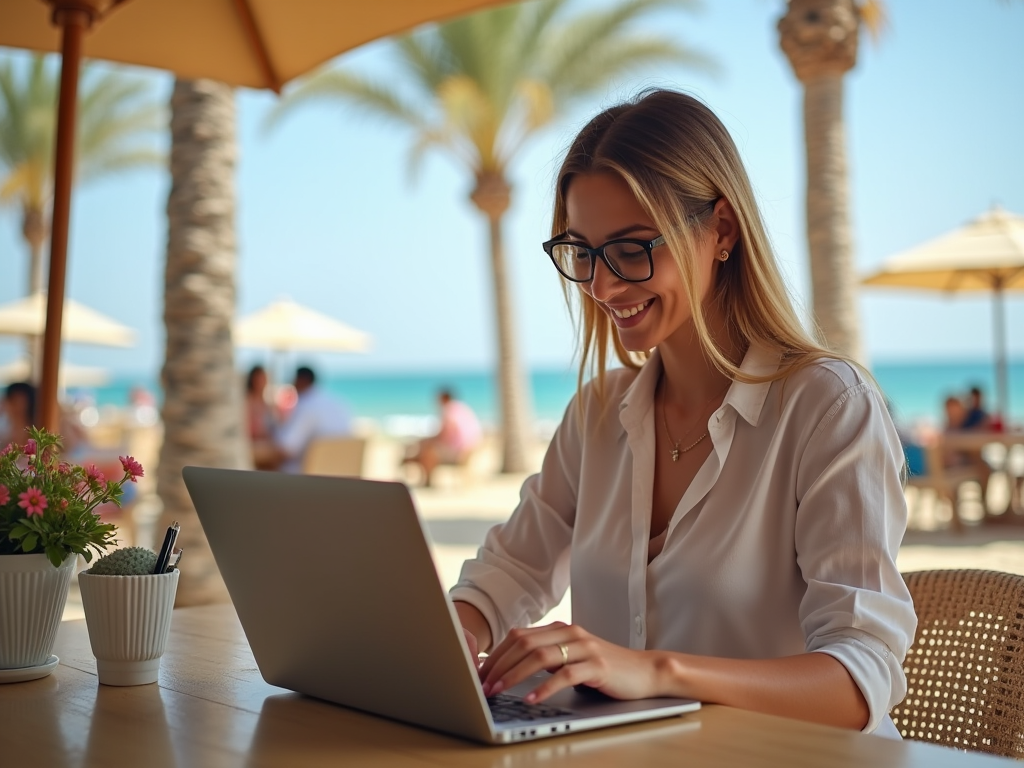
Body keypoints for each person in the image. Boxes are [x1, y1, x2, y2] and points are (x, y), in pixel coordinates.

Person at [448, 90, 915, 737]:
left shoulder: (828, 407)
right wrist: (450, 634)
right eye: (582, 253)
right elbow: (513, 569)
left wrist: (657, 672)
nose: (603, 287)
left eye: (633, 248)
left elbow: (861, 676)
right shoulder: (597, 414)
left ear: (721, 229)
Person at [272, 366, 352, 473]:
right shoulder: (339, 403)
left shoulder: (307, 405)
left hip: (306, 475)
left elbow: (287, 448)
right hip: (340, 472)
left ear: (300, 380)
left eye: (294, 380)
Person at [403, 388, 483, 486]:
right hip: (470, 449)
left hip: (459, 452)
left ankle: (427, 481)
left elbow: (444, 434)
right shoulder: (462, 408)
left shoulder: (449, 410)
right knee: (427, 448)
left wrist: (427, 441)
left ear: (444, 398)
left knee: (428, 452)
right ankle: (421, 474)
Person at [244, 365, 278, 470]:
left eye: (263, 379)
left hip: (264, 449)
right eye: (259, 378)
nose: (262, 382)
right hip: (253, 449)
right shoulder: (247, 402)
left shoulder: (268, 404)